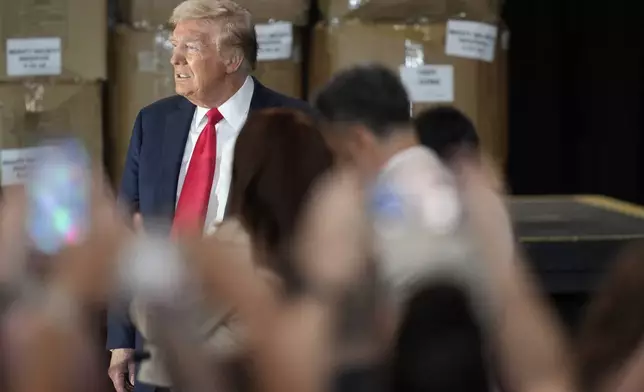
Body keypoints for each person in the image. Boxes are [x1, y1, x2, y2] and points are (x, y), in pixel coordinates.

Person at [107, 1, 313, 391]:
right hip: (160, 342)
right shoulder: (153, 122)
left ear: (233, 58)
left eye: (192, 47)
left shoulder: (292, 124)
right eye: (173, 46)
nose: (175, 59)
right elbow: (127, 228)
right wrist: (121, 338)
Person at [129, 108, 333, 390]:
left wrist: (149, 262)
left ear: (246, 172)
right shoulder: (333, 242)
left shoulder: (236, 246)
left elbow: (156, 318)